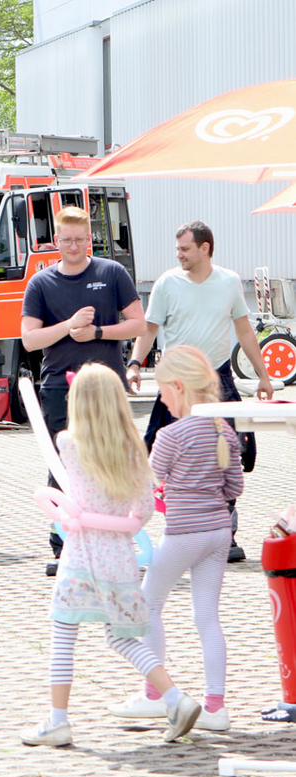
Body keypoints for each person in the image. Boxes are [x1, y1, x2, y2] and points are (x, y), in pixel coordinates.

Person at [20, 363, 201, 747]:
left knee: (64, 633)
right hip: (121, 557)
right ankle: (176, 698)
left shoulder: (69, 443)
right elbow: (144, 509)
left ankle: (57, 720)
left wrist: (78, 515)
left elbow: (74, 489)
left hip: (82, 556)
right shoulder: (135, 450)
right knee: (121, 637)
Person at [109, 346, 243, 731]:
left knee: (149, 605)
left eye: (164, 390)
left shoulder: (170, 435)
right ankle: (215, 706)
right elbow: (235, 486)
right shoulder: (225, 432)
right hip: (219, 533)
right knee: (207, 618)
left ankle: (155, 694)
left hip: (183, 533)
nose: (162, 397)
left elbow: (150, 482)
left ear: (180, 388)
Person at [126, 220, 272, 563]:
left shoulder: (229, 281)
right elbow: (148, 330)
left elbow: (245, 332)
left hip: (218, 378)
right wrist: (134, 363)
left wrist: (263, 377)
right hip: (177, 382)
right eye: (177, 249)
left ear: (205, 248)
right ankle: (174, 528)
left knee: (229, 450)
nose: (179, 255)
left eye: (185, 249)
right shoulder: (166, 283)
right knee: (158, 453)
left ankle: (226, 531)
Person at [21, 205, 146, 575]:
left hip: (107, 387)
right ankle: (63, 544)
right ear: (54, 241)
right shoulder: (41, 283)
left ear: (89, 239)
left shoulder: (112, 273)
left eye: (80, 240)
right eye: (66, 240)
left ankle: (116, 535)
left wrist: (97, 333)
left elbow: (138, 324)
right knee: (62, 464)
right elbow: (29, 340)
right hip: (60, 387)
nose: (73, 246)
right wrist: (69, 325)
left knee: (113, 457)